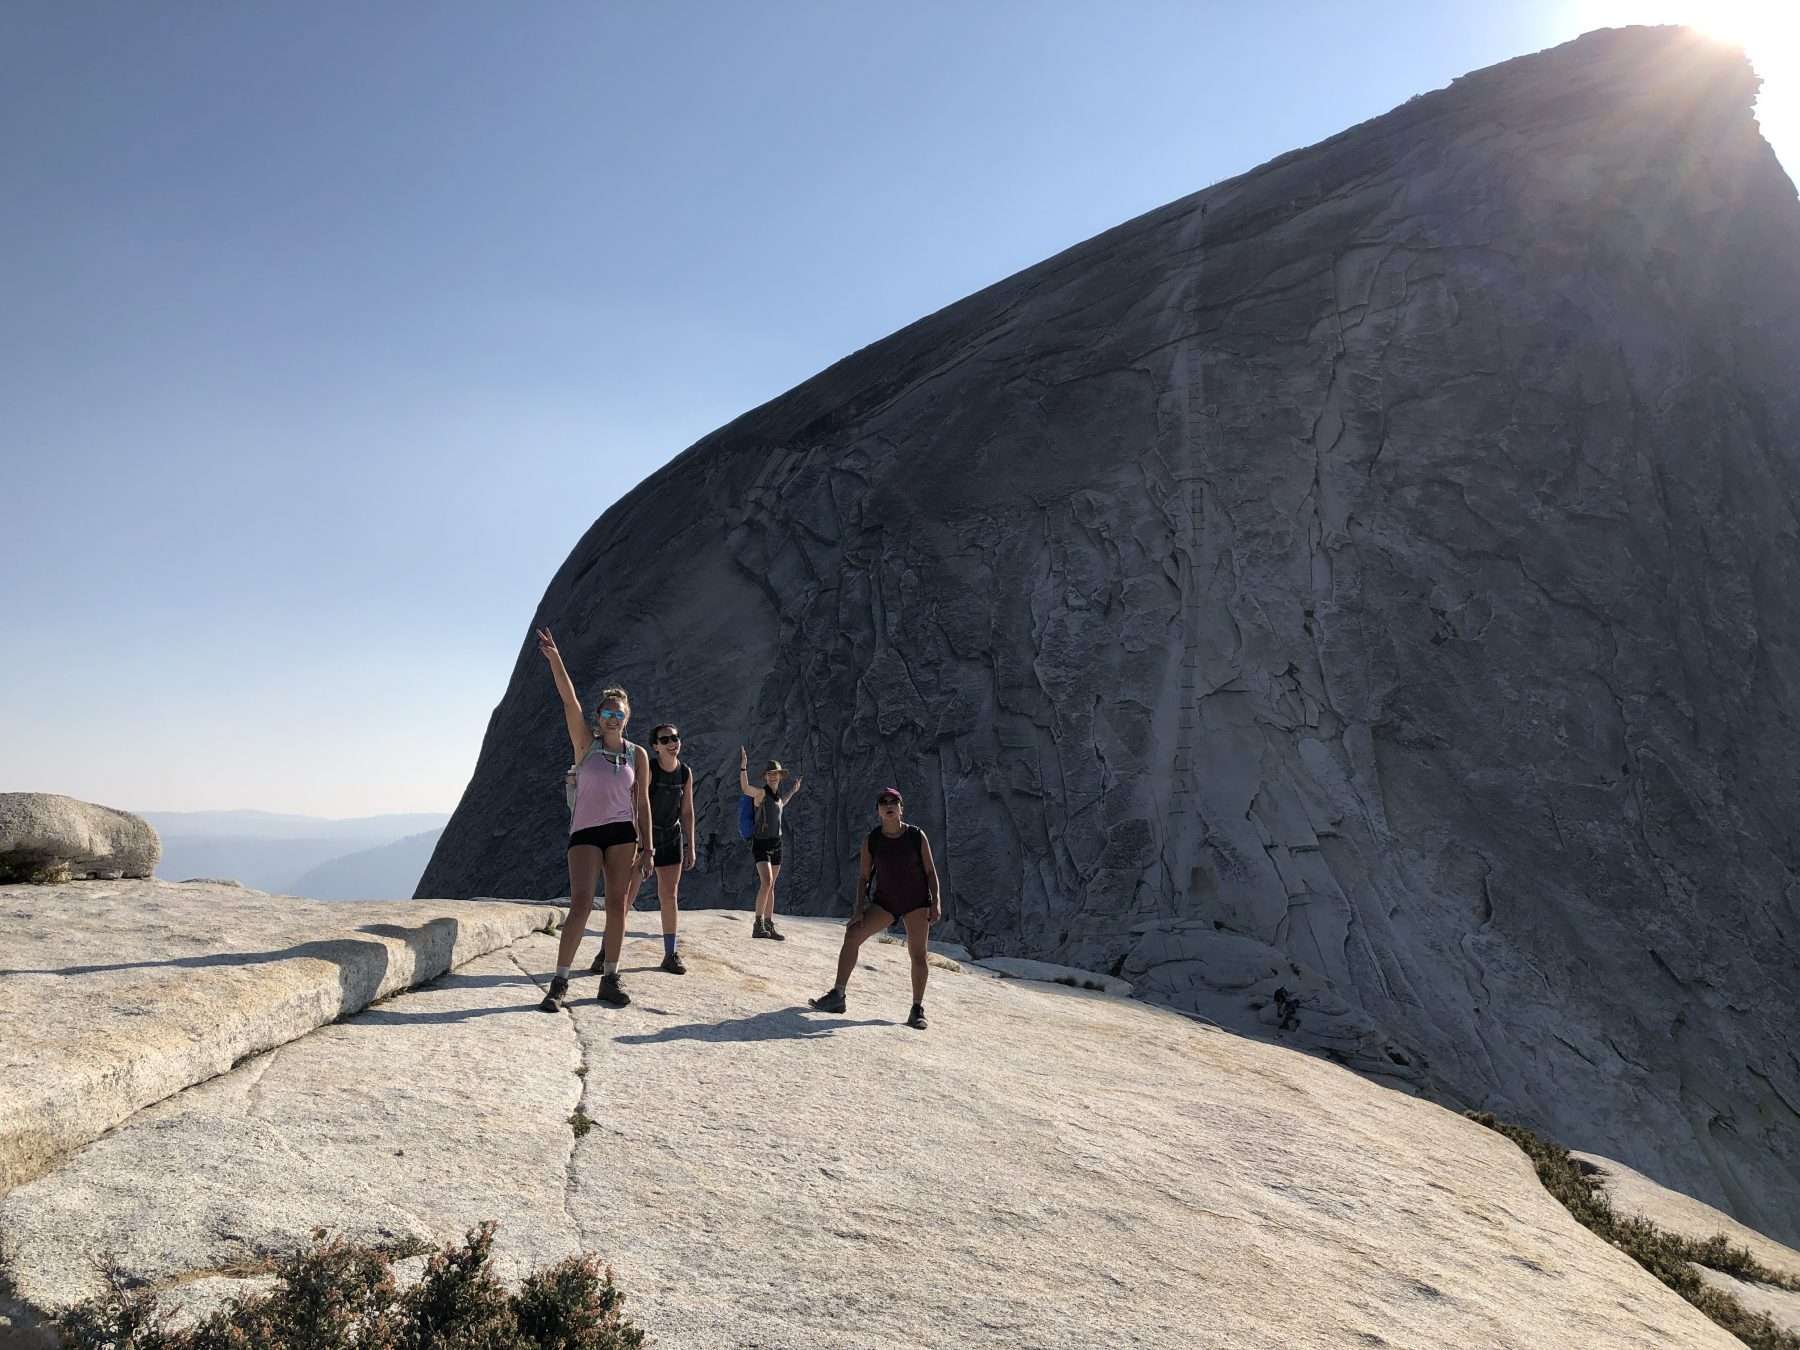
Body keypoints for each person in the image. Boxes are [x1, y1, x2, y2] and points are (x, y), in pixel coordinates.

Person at [536, 626, 651, 1010]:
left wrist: (647, 846)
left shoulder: (638, 755)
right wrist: (556, 660)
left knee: (618, 905)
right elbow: (569, 701)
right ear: (598, 718)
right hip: (585, 831)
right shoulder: (586, 745)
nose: (612, 717)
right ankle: (560, 981)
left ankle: (610, 978)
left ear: (627, 717)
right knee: (582, 903)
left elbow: (644, 801)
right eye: (606, 712)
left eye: (618, 713)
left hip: (623, 833)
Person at [810, 787, 942, 1029]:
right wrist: (858, 910)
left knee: (918, 954)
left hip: (916, 902)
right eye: (883, 802)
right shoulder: (873, 840)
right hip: (886, 902)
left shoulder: (916, 836)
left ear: (901, 808)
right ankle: (838, 995)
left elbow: (930, 872)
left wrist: (936, 901)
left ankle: (917, 1009)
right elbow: (863, 878)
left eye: (894, 801)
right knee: (852, 934)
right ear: (878, 811)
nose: (888, 805)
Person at [615, 721, 695, 975]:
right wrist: (640, 842)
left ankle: (670, 954)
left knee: (669, 897)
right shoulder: (649, 769)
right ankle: (608, 951)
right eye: (666, 740)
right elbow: (638, 804)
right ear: (655, 746)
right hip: (644, 839)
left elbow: (687, 811)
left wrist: (690, 845)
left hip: (671, 837)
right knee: (627, 898)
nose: (673, 743)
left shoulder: (685, 773)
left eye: (675, 737)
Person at [738, 745, 802, 940]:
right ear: (765, 777)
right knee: (766, 882)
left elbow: (783, 803)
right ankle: (758, 924)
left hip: (777, 844)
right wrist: (743, 767)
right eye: (770, 774)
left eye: (776, 774)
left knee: (771, 885)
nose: (773, 777)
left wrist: (794, 790)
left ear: (780, 776)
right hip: (761, 844)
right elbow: (745, 788)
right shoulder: (761, 794)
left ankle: (768, 924)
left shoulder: (776, 798)